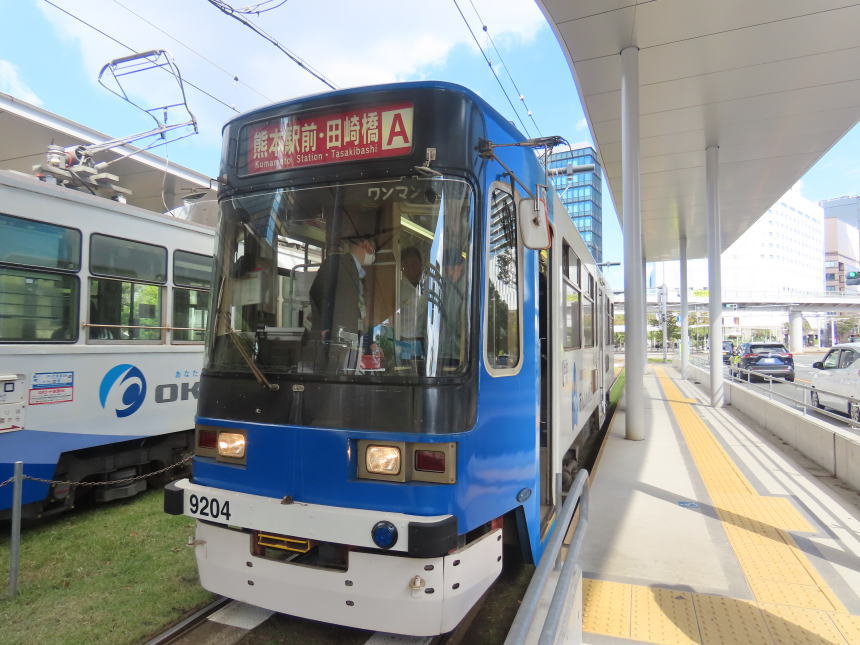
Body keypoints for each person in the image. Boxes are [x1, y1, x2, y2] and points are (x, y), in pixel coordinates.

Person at [309, 235, 376, 342]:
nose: (373, 254)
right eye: (374, 249)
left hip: (353, 336)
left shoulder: (361, 275)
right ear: (366, 245)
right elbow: (317, 292)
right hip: (334, 337)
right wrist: (325, 326)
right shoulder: (336, 263)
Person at [396, 246, 427, 358]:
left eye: (417, 265)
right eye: (411, 265)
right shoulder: (399, 290)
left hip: (423, 342)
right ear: (404, 267)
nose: (416, 269)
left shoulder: (425, 287)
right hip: (405, 343)